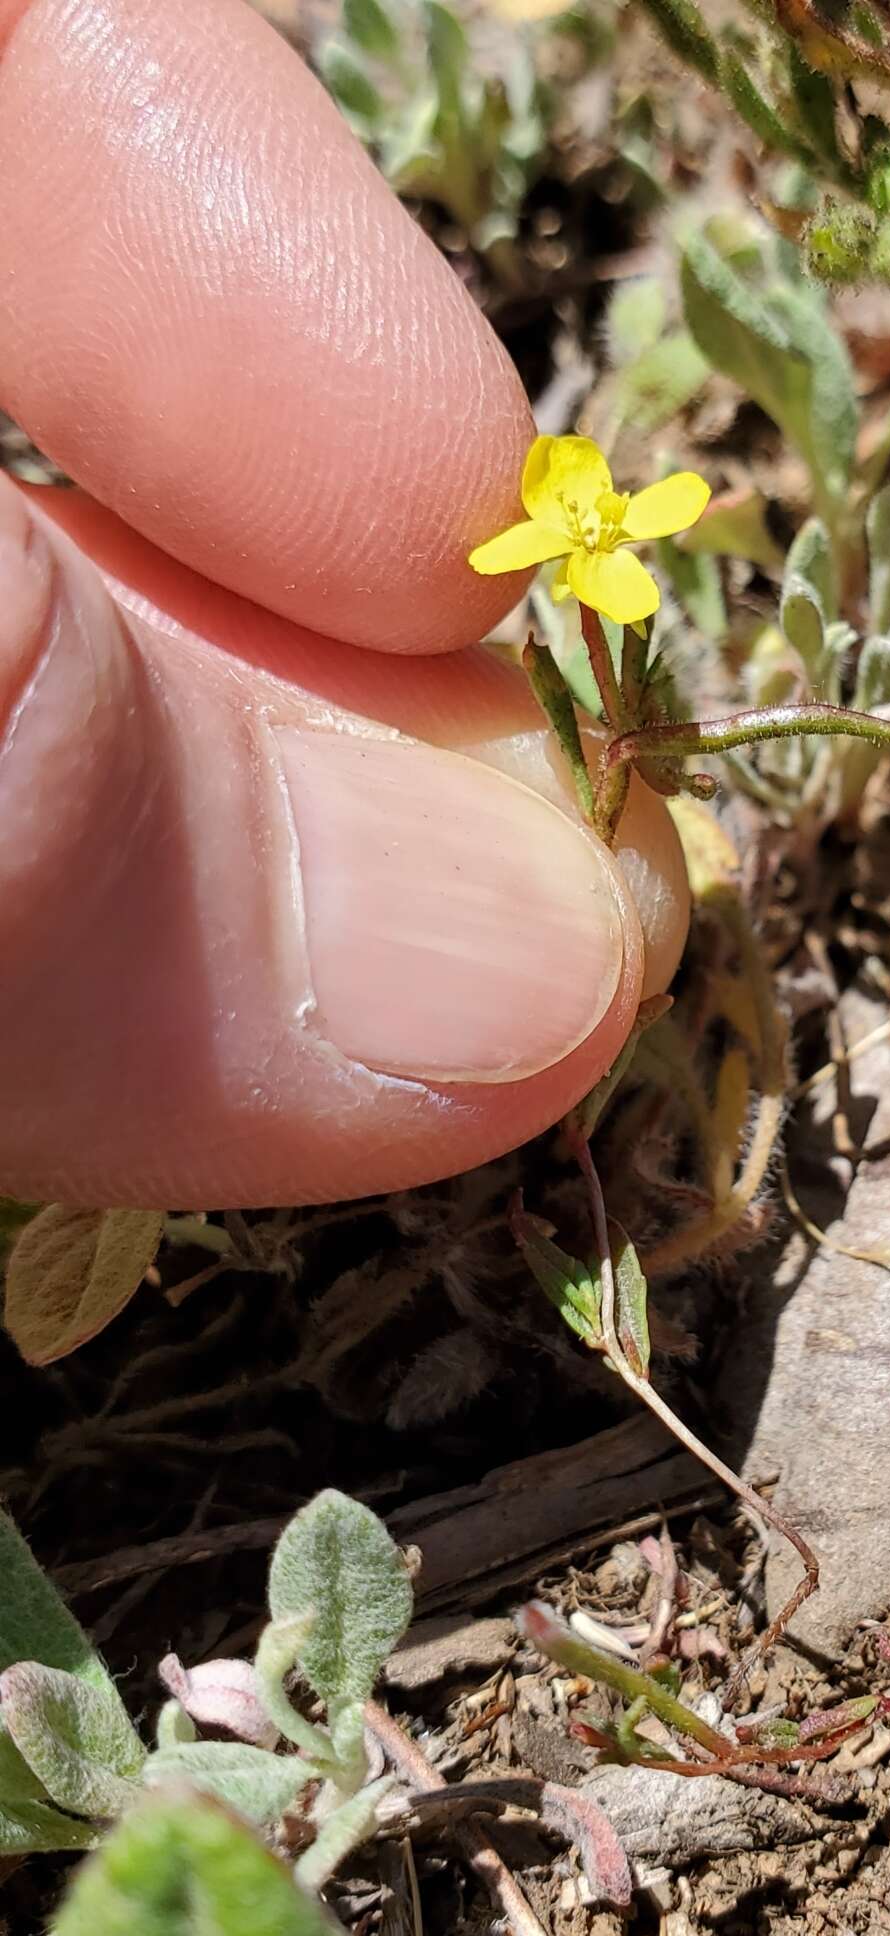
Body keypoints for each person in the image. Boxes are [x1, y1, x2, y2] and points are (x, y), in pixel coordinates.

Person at [0, 0, 688, 1209]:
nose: (588, 521)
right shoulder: (551, 544)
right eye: (581, 519)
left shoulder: (587, 556)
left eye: (594, 519)